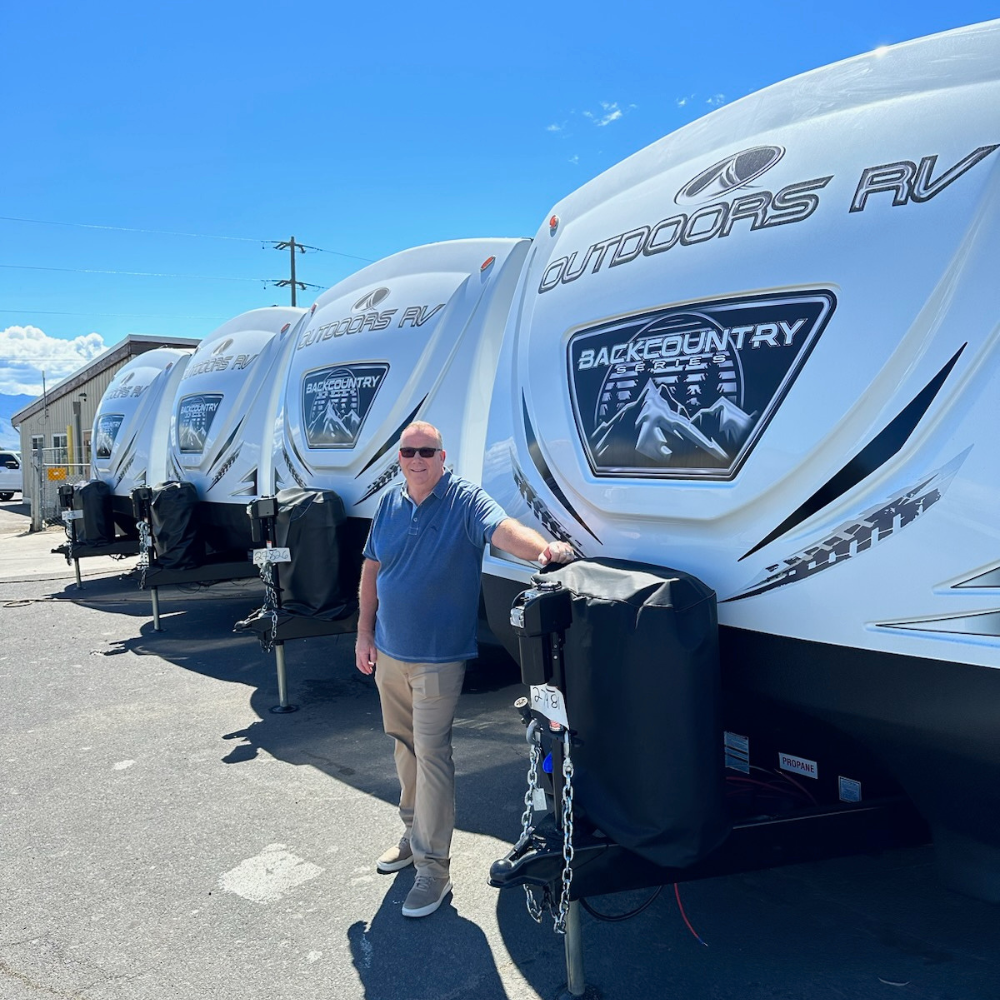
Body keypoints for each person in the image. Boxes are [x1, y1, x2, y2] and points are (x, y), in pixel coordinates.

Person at [355, 420, 575, 918]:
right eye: (409, 452)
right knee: (404, 747)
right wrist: (364, 634)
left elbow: (503, 530)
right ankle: (412, 837)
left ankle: (434, 870)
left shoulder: (464, 499)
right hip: (388, 652)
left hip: (437, 659)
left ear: (442, 455)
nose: (416, 460)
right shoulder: (389, 504)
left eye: (426, 452)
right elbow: (372, 570)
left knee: (432, 756)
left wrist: (542, 550)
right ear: (400, 458)